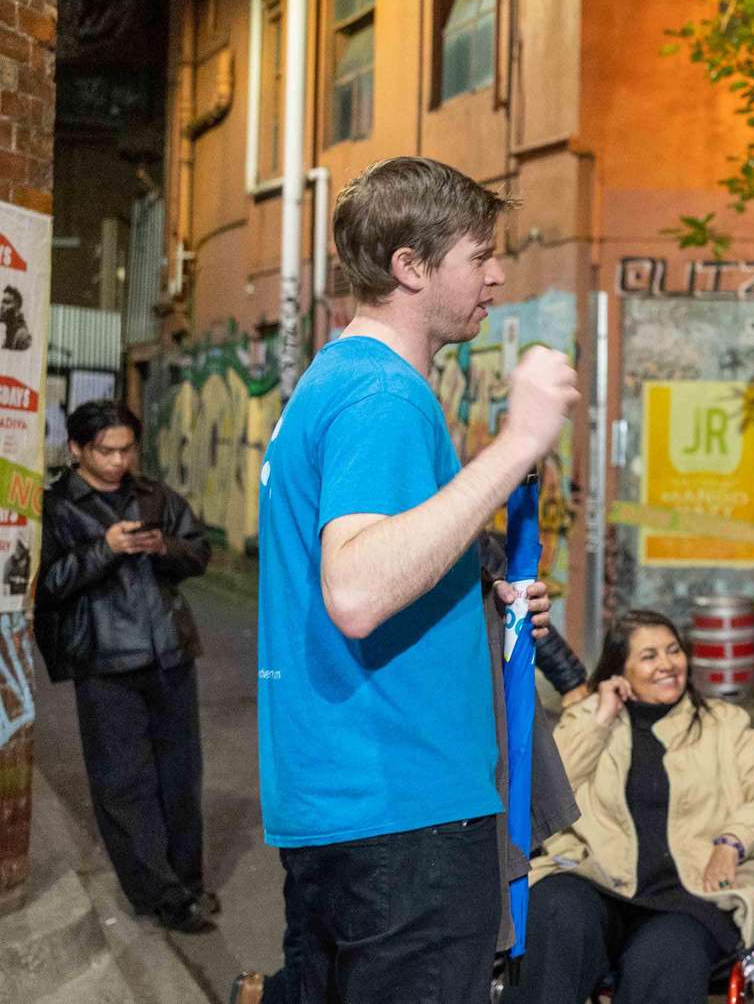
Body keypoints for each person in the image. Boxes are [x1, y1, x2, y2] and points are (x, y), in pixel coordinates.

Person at [239, 157, 581, 1003]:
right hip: (403, 816)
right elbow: (357, 589)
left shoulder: (333, 381)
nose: (497, 275)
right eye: (480, 255)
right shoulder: (383, 396)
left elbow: (373, 565)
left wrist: (472, 602)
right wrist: (518, 443)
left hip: (351, 808)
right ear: (410, 266)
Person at [510, 611, 754, 1004]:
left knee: (666, 955)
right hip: (596, 880)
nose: (667, 664)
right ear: (620, 670)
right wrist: (599, 720)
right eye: (649, 656)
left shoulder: (723, 725)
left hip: (688, 897)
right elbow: (546, 792)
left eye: (673, 651)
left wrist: (733, 841)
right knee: (554, 911)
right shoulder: (589, 718)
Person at [35, 400, 215, 933]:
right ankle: (161, 895)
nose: (118, 461)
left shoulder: (154, 495)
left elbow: (199, 553)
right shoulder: (56, 507)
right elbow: (44, 584)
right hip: (105, 662)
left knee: (180, 777)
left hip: (169, 653)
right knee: (124, 784)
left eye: (126, 449)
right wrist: (105, 548)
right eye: (105, 451)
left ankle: (188, 883)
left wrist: (163, 546)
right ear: (77, 449)